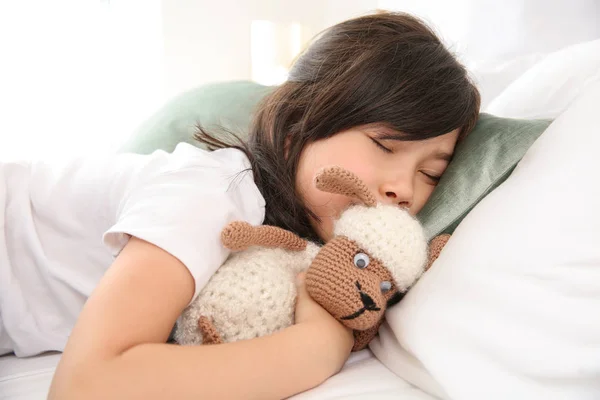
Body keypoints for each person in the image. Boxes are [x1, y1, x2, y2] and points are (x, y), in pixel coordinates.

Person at [0, 11, 479, 400]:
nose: (406, 190)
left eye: (431, 172)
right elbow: (87, 386)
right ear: (299, 127)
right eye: (386, 145)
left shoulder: (297, 248)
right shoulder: (214, 190)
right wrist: (317, 346)